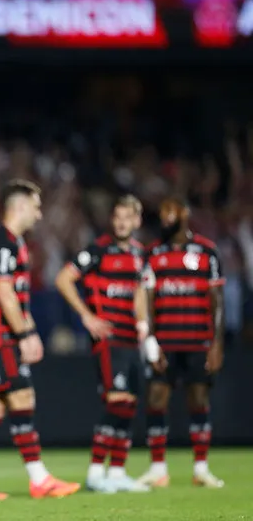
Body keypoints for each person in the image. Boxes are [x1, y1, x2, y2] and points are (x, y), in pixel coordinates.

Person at [0, 179, 80, 501]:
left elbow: (16, 295)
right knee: (22, 399)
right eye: (37, 207)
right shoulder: (4, 241)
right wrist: (25, 333)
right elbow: (3, 291)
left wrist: (29, 330)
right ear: (21, 206)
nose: (39, 215)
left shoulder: (14, 242)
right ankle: (39, 479)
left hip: (2, 336)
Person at [54, 195, 150, 493]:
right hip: (108, 339)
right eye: (117, 216)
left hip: (131, 338)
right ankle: (97, 472)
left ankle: (118, 471)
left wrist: (145, 327)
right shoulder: (98, 250)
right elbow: (63, 279)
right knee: (117, 401)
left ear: (137, 220)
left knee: (130, 404)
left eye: (127, 217)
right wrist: (87, 317)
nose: (121, 222)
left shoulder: (139, 254)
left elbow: (140, 291)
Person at [136, 198, 225, 489]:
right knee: (156, 399)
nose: (164, 218)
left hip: (198, 339)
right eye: (161, 213)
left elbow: (217, 302)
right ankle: (158, 469)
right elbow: (147, 299)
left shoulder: (206, 252)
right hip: (165, 340)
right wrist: (150, 340)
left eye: (170, 212)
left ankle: (201, 468)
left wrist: (216, 343)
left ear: (184, 214)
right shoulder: (153, 254)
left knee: (198, 399)